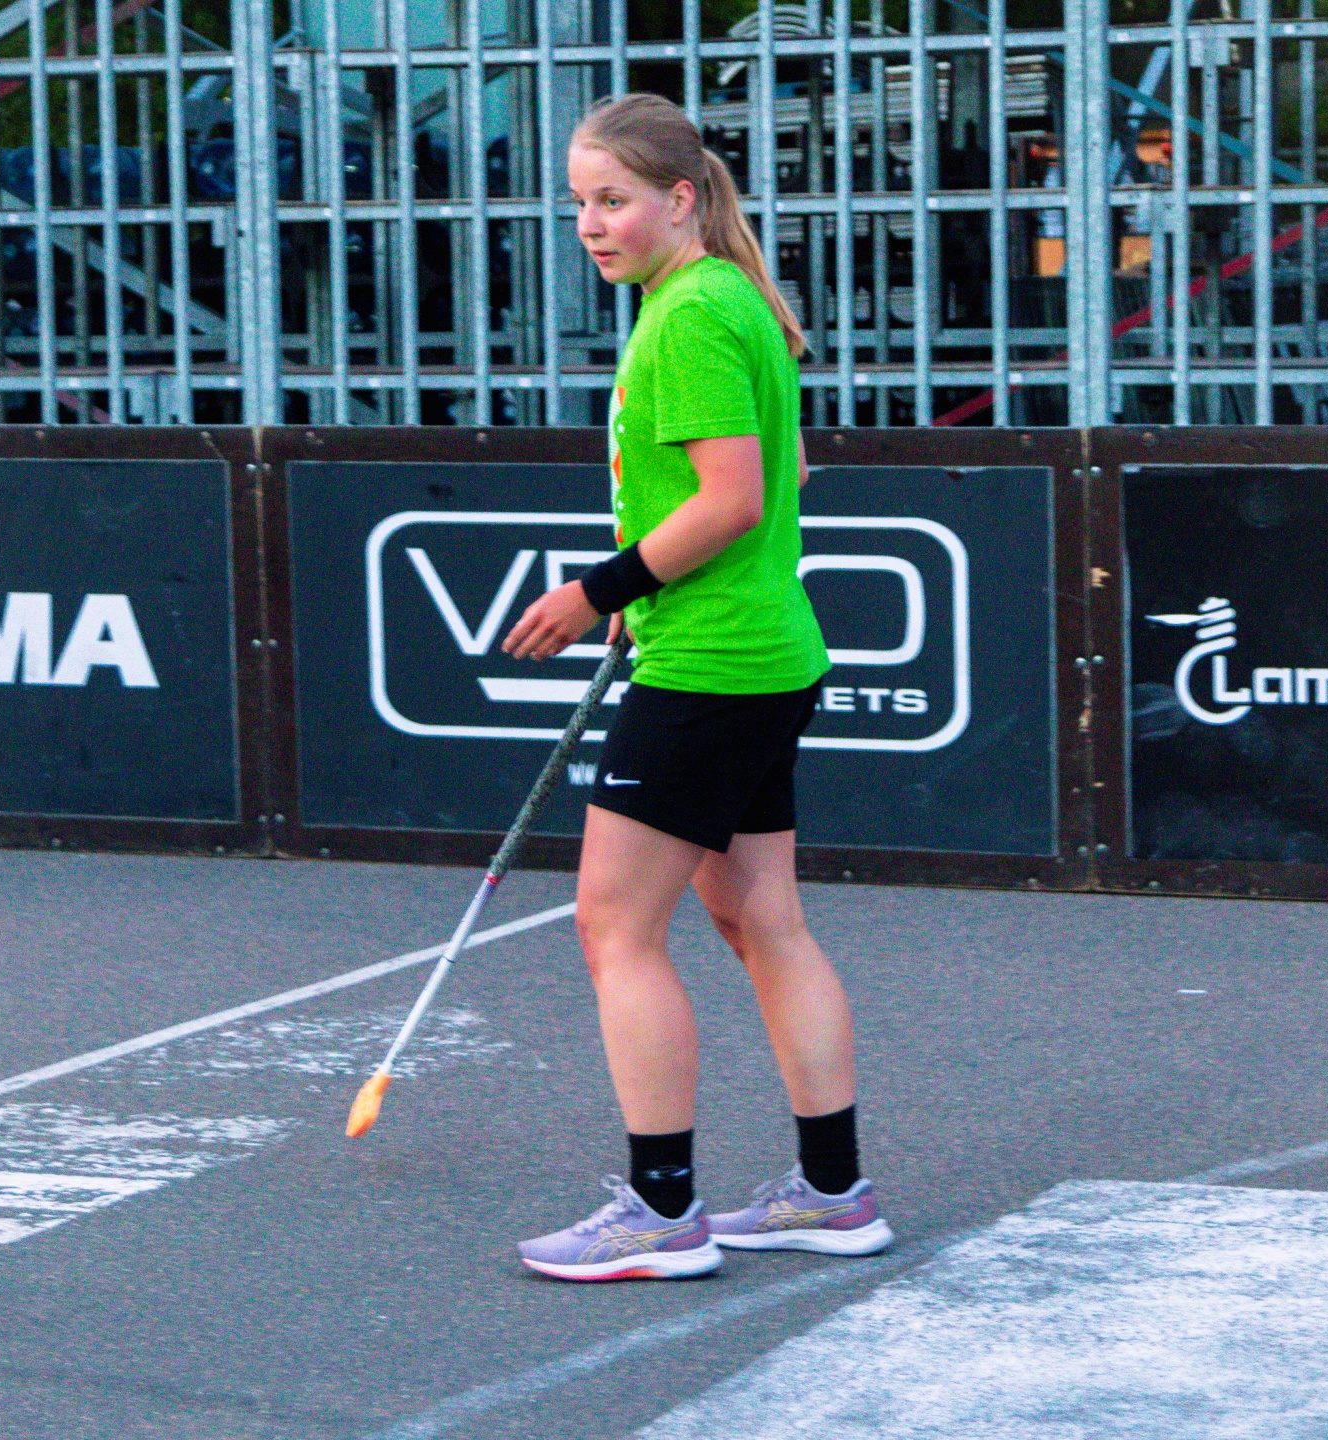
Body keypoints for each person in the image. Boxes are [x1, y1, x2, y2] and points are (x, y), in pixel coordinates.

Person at [499, 92, 893, 1282]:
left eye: (613, 200)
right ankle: (833, 1194)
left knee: (614, 927)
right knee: (759, 919)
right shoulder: (729, 298)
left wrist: (604, 589)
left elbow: (733, 498)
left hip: (714, 667)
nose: (591, 225)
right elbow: (789, 471)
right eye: (580, 204)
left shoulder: (688, 316)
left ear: (679, 199)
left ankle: (661, 1213)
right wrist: (658, 579)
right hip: (760, 653)